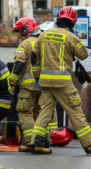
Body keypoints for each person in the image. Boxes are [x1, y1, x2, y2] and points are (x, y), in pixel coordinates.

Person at [31, 6, 91, 154]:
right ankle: (89, 143)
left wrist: (37, 77)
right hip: (62, 82)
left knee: (45, 112)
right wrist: (75, 38)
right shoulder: (70, 37)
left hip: (45, 81)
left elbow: (35, 58)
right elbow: (84, 54)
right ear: (72, 23)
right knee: (75, 110)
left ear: (58, 19)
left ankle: (37, 142)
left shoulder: (44, 35)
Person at [9, 17, 58, 152]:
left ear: (26, 30)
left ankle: (32, 142)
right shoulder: (45, 42)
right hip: (45, 86)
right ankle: (43, 141)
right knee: (40, 114)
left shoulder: (25, 44)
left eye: (19, 31)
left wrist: (12, 82)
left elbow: (19, 65)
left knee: (24, 112)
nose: (18, 35)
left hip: (29, 87)